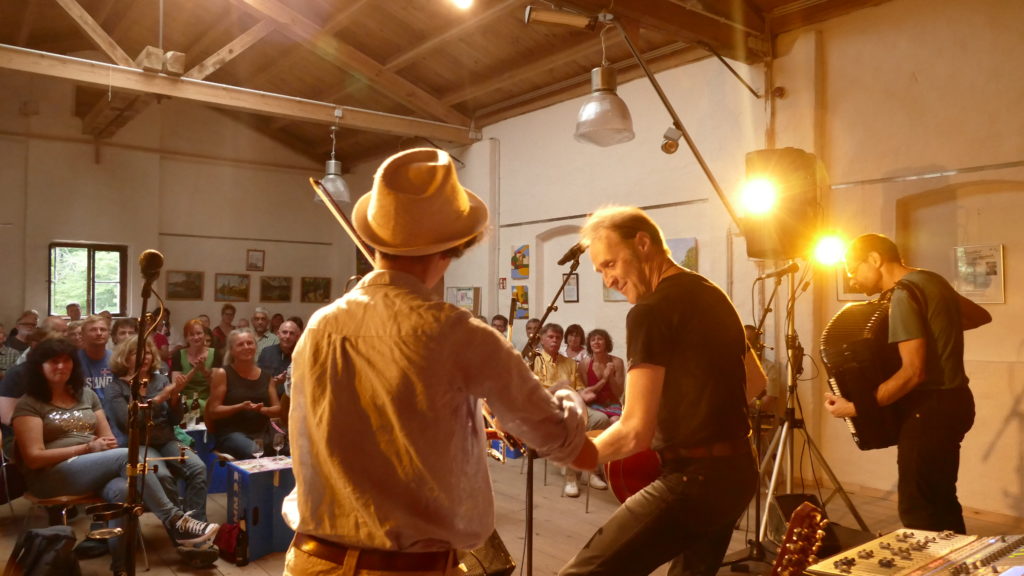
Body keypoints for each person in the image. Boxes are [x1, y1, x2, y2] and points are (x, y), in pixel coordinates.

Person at [282, 148, 594, 576]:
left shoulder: (319, 327)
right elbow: (560, 440)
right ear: (451, 248)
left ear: (373, 238)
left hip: (309, 562)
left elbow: (368, 424)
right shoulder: (459, 334)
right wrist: (569, 397)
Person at [559, 205, 756, 576]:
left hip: (692, 480)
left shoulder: (650, 311)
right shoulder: (713, 295)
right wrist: (694, 415)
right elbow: (754, 382)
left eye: (611, 264)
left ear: (644, 243)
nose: (608, 280)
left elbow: (635, 431)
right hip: (738, 472)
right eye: (601, 270)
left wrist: (578, 454)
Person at [12, 338, 220, 575]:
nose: (61, 366)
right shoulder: (29, 404)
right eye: (53, 362)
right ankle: (177, 521)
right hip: (51, 475)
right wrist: (87, 448)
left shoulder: (86, 395)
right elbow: (34, 458)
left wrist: (98, 448)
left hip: (92, 466)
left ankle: (120, 568)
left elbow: (109, 438)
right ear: (39, 367)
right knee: (127, 456)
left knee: (123, 488)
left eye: (66, 361)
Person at [824, 233, 975, 533]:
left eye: (853, 269)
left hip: (928, 409)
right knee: (942, 499)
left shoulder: (904, 294)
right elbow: (978, 315)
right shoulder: (932, 280)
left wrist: (855, 407)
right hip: (957, 402)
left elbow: (913, 373)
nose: (852, 279)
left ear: (875, 259)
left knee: (920, 511)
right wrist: (934, 326)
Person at [106, 336, 212, 529]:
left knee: (198, 468)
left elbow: (174, 420)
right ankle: (181, 531)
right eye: (136, 352)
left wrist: (173, 399)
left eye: (147, 352)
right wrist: (158, 400)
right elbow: (128, 423)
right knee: (163, 476)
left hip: (166, 439)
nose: (144, 356)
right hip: (139, 444)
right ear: (124, 357)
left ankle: (197, 525)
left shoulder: (160, 380)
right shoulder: (116, 387)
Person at [532, 322, 610, 497]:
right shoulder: (534, 361)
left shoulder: (570, 363)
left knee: (601, 419)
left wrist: (585, 392)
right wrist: (557, 387)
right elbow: (533, 395)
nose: (555, 341)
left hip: (574, 403)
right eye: (550, 337)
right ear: (542, 339)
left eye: (558, 338)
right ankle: (572, 477)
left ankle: (590, 469)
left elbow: (579, 386)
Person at [205, 328, 281, 460]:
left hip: (262, 432)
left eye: (250, 343)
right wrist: (240, 407)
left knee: (289, 449)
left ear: (255, 347)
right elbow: (213, 411)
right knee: (254, 451)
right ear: (232, 350)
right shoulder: (223, 374)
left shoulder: (266, 376)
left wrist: (262, 409)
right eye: (240, 344)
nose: (246, 347)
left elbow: (277, 409)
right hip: (232, 434)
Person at [171, 318, 221, 416]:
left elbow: (216, 386)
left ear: (205, 335)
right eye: (192, 334)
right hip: (184, 402)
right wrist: (195, 370)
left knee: (203, 406)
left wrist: (203, 370)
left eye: (199, 333)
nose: (196, 337)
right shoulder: (178, 355)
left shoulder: (215, 354)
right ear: (186, 338)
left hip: (208, 401)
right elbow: (176, 388)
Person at [579, 328, 625, 423]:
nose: (596, 342)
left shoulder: (617, 362)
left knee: (615, 420)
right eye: (593, 340)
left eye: (600, 339)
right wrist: (604, 379)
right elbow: (587, 394)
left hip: (612, 404)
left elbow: (618, 394)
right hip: (593, 405)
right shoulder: (584, 364)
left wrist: (611, 376)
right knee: (601, 419)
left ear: (606, 343)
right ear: (589, 345)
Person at [257, 319, 301, 397]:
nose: (287, 336)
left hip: (292, 401)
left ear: (297, 337)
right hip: (269, 399)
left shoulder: (302, 355)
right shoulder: (267, 352)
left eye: (291, 333)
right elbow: (259, 379)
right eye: (284, 332)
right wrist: (275, 381)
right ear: (278, 334)